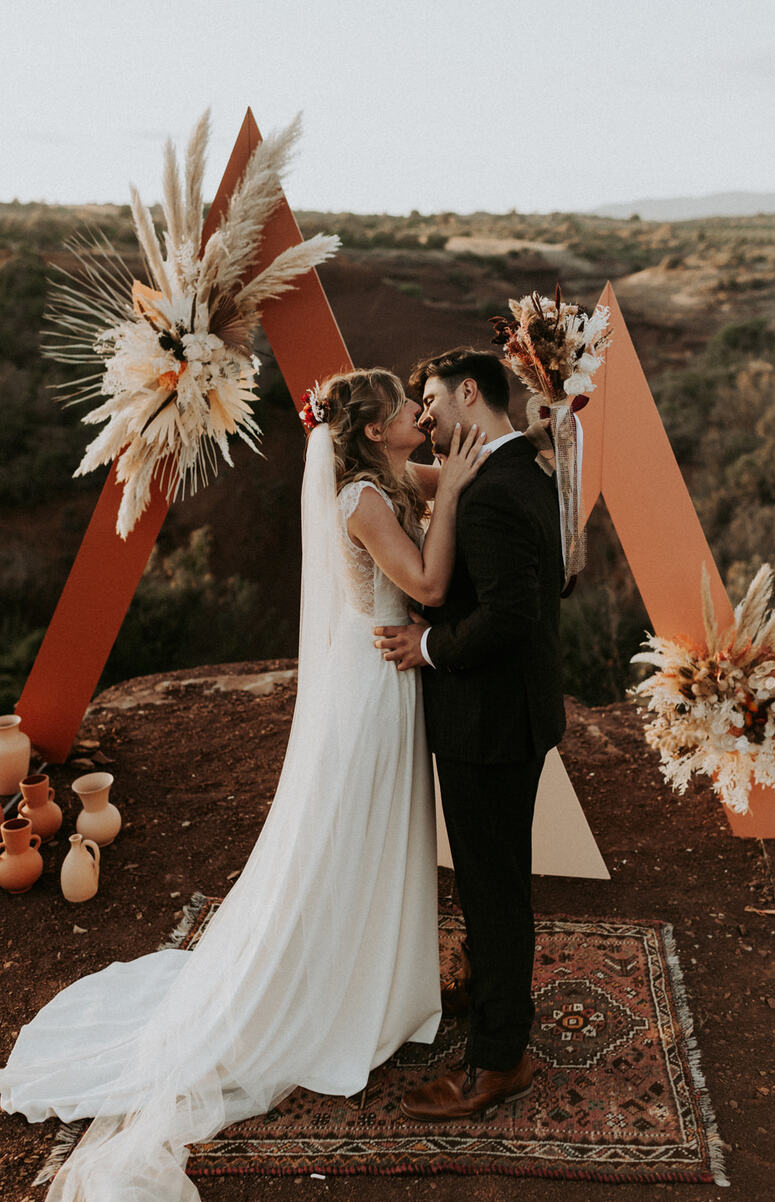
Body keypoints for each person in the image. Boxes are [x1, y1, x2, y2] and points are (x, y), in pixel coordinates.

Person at [0, 368, 487, 1202]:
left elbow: (463, 471)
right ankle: (333, 995)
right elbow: (430, 587)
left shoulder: (393, 477)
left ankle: (373, 980)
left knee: (377, 838)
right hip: (375, 695)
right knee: (350, 838)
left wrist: (497, 453)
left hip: (393, 686)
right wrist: (458, 490)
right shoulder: (364, 502)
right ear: (374, 432)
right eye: (409, 409)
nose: (420, 413)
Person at [373, 348, 565, 1121]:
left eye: (430, 401)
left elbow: (510, 617)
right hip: (514, 714)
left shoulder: (489, 493)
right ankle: (490, 990)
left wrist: (425, 646)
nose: (423, 417)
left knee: (492, 888)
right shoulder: (528, 468)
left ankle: (498, 1059)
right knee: (494, 879)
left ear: (471, 393)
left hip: (488, 722)